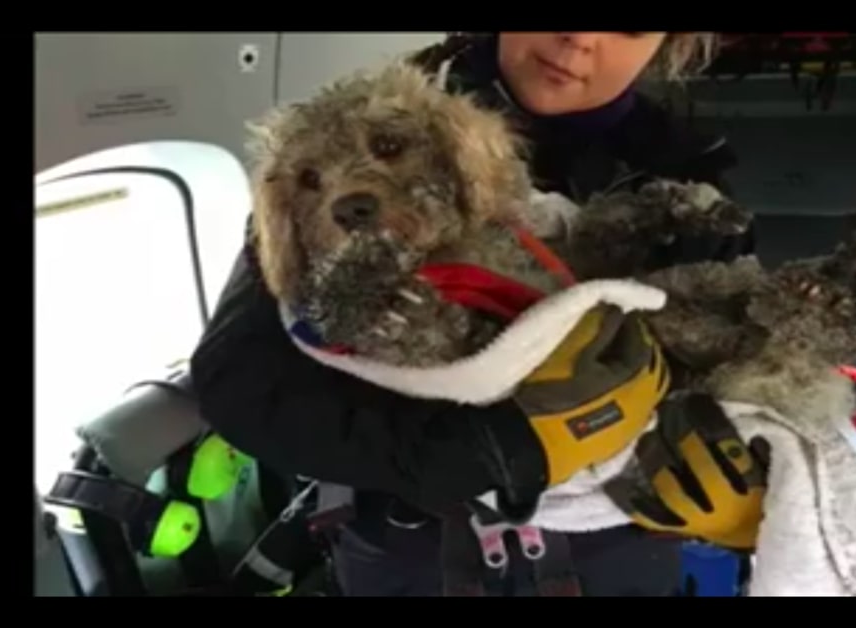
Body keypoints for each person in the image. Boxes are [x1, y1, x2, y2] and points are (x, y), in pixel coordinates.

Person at [190, 32, 760, 596]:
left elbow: (736, 360)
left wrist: (751, 499)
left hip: (618, 547)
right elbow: (238, 384)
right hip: (413, 541)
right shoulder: (351, 133)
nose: (580, 38)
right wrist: (470, 449)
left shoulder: (690, 183)